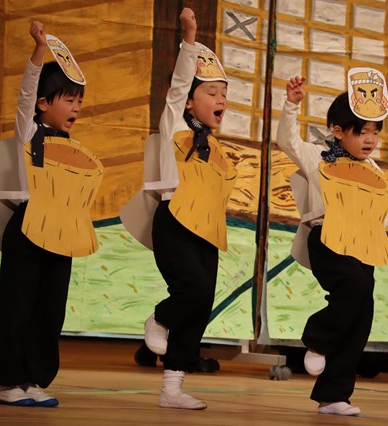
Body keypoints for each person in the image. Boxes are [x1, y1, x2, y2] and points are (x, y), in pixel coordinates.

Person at [0, 21, 101, 407]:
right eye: (68, 100)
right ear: (43, 104)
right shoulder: (28, 134)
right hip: (28, 228)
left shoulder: (73, 149)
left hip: (61, 232)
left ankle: (33, 378)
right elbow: (25, 93)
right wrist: (39, 51)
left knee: (50, 309)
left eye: (79, 101)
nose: (76, 107)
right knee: (18, 305)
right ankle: (8, 382)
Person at [277, 71, 388, 416]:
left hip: (363, 244)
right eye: (362, 131)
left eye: (375, 132)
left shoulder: (374, 170)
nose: (370, 139)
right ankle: (317, 339)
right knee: (355, 287)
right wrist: (291, 105)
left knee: (362, 313)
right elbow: (287, 141)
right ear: (339, 131)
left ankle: (334, 396)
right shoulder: (319, 156)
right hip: (327, 237)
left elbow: (384, 210)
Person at [141, 8, 236, 410]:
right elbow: (178, 86)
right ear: (191, 100)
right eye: (211, 92)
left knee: (201, 303)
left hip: (206, 230)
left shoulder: (215, 148)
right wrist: (190, 40)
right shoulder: (174, 129)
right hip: (175, 222)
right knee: (191, 290)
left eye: (223, 93)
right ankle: (160, 318)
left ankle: (173, 388)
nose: (221, 100)